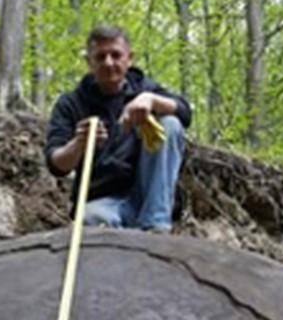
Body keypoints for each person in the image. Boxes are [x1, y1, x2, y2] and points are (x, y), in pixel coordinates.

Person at [44, 26, 191, 232]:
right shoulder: (71, 103)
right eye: (100, 57)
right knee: (91, 219)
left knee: (170, 124)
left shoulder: (144, 87)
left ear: (129, 58)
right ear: (89, 62)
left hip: (148, 197)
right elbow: (56, 164)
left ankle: (155, 227)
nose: (109, 63)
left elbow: (184, 112)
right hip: (102, 203)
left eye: (116, 55)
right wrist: (79, 144)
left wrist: (151, 100)